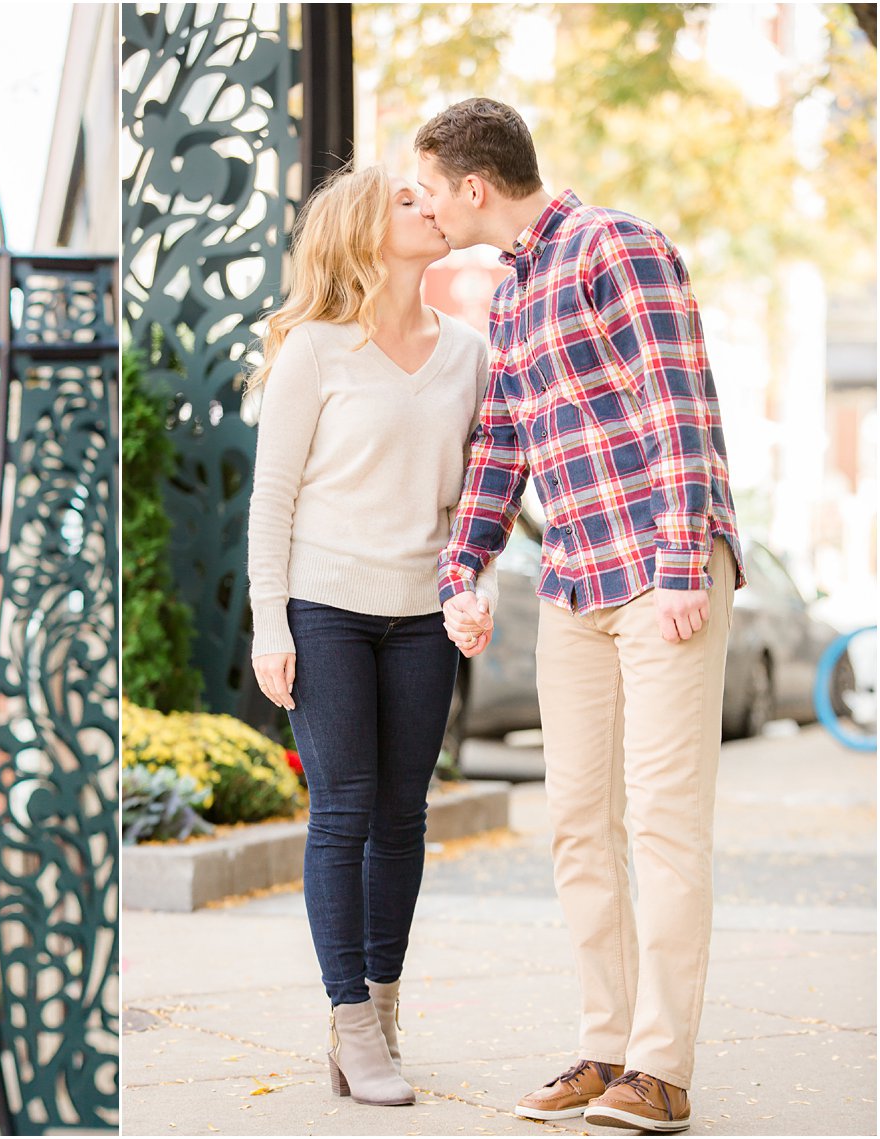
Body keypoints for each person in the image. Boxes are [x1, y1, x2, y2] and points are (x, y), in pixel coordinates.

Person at [415, 97, 743, 1134]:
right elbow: (503, 446)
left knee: (660, 819)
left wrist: (682, 556)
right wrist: (460, 567)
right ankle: (605, 1043)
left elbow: (673, 399)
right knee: (575, 826)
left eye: (427, 189)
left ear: (474, 187)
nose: (420, 207)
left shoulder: (615, 243)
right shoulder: (508, 296)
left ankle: (660, 1064)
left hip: (658, 572)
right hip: (572, 583)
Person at [245, 163, 498, 1108]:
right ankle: (351, 1020)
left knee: (404, 816)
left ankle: (380, 1015)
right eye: (406, 199)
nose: (428, 207)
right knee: (344, 809)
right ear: (360, 229)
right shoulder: (313, 350)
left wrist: (476, 586)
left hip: (425, 611)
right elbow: (273, 501)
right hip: (325, 607)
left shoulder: (468, 352)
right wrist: (272, 622)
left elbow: (478, 496)